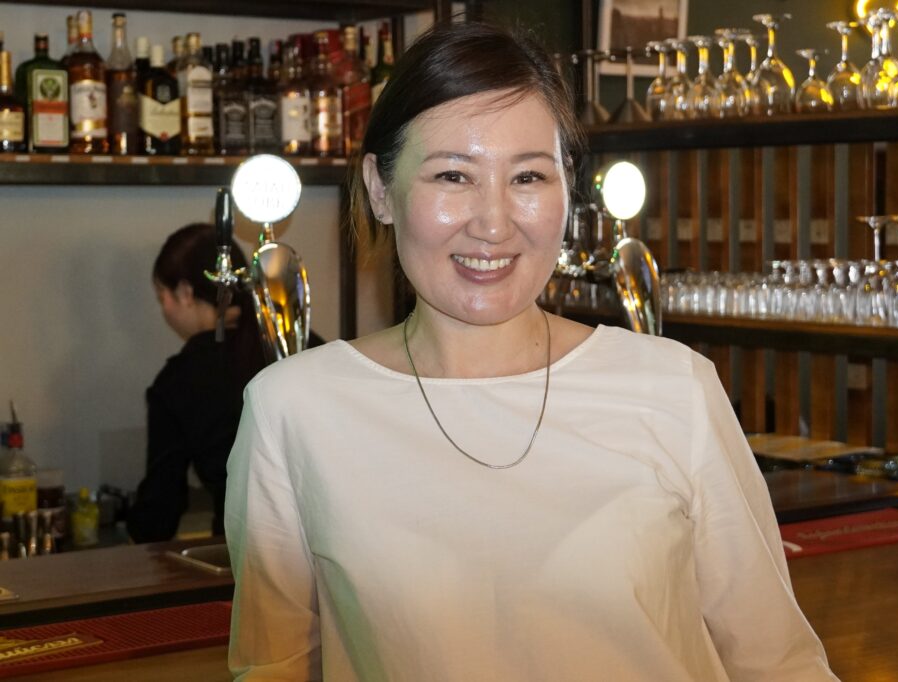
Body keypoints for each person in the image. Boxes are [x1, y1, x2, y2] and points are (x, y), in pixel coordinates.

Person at [225, 21, 837, 681]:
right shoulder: (294, 410)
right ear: (380, 190)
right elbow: (273, 668)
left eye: (527, 177)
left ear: (567, 189)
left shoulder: (673, 388)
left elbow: (778, 662)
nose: (493, 224)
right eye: (453, 175)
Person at [127, 223, 266, 543]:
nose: (164, 311)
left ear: (186, 292)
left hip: (244, 551)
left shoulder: (179, 381)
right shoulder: (295, 341)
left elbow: (159, 512)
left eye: (162, 297)